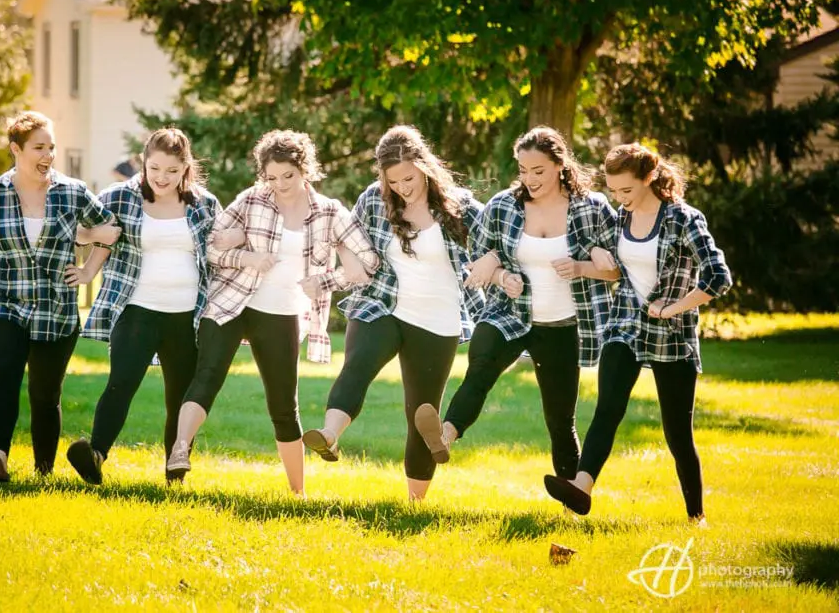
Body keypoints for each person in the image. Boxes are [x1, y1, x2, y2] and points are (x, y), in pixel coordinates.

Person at [165, 129, 378, 495]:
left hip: (281, 313)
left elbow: (368, 261)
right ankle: (180, 451)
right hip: (233, 301)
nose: (279, 185)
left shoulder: (329, 212)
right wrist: (248, 256)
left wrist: (326, 281)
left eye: (287, 176)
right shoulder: (251, 200)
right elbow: (213, 249)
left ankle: (298, 492)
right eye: (271, 177)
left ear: (305, 169)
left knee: (283, 405)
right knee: (207, 377)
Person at [413, 126, 619, 487]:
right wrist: (499, 276)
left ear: (560, 165)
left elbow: (618, 268)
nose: (530, 179)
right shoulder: (503, 206)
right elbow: (474, 262)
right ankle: (445, 437)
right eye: (523, 170)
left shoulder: (591, 208)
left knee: (559, 419)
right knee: (480, 367)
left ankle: (572, 494)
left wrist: (584, 266)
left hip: (562, 325)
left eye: (538, 171)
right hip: (510, 315)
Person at [544, 143, 732, 524]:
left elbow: (718, 277)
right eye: (614, 191)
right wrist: (582, 267)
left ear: (649, 178)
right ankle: (582, 487)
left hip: (671, 332)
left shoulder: (683, 219)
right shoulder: (620, 220)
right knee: (607, 408)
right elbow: (616, 271)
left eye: (626, 190)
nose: (619, 199)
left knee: (678, 433)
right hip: (626, 323)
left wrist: (672, 307)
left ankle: (696, 517)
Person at [302, 125, 486, 501]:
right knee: (358, 364)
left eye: (409, 178)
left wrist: (494, 267)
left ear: (425, 167)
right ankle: (330, 436)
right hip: (381, 303)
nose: (402, 187)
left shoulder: (460, 205)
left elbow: (498, 239)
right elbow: (344, 236)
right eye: (393, 181)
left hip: (437, 318)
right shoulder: (374, 199)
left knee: (421, 411)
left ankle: (416, 503)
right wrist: (349, 263)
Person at [0, 111, 119, 482]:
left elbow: (109, 230)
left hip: (56, 309)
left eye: (51, 147)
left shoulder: (71, 191)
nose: (48, 155)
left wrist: (88, 270)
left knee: (45, 394)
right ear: (15, 149)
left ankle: (44, 473)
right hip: (3, 302)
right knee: (4, 380)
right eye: (39, 147)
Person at [66, 128, 225, 485]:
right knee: (120, 384)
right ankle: (95, 454)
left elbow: (219, 253)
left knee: (181, 398)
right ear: (144, 162)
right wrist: (90, 258)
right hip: (136, 310)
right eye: (154, 168)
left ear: (186, 166)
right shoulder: (120, 197)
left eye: (171, 170)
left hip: (187, 317)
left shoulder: (204, 203)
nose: (162, 178)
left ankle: (175, 471)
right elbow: (80, 231)